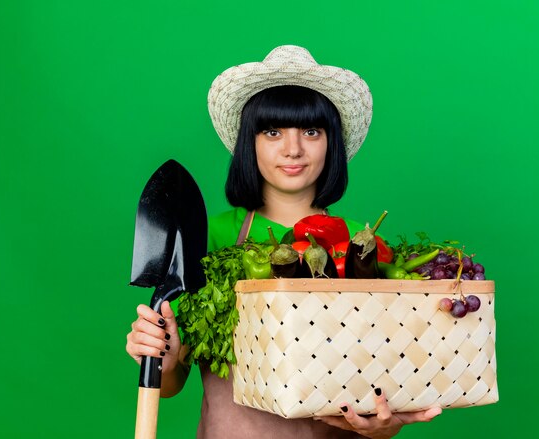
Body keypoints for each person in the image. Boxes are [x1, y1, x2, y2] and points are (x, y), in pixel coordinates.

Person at [126, 45, 442, 438]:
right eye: (272, 131)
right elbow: (172, 384)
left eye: (311, 131)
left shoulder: (362, 240)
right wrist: (165, 357)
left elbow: (378, 380)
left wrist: (383, 427)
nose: (293, 149)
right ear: (250, 142)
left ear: (332, 143)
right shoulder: (209, 236)